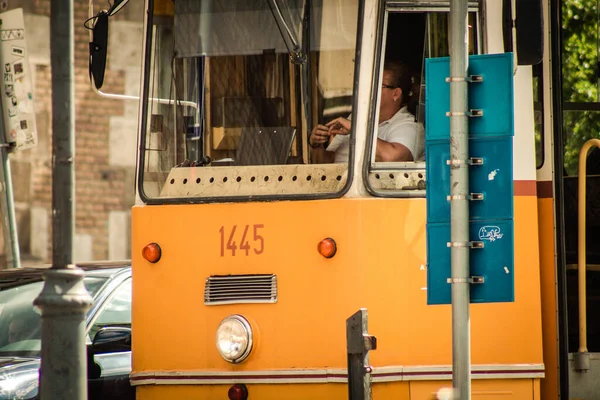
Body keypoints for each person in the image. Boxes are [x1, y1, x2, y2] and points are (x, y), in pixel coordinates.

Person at [309, 61, 424, 163]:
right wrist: (317, 144)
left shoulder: (410, 125)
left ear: (396, 94)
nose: (369, 89)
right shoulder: (355, 118)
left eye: (378, 85)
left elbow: (392, 158)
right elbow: (328, 162)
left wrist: (357, 131)